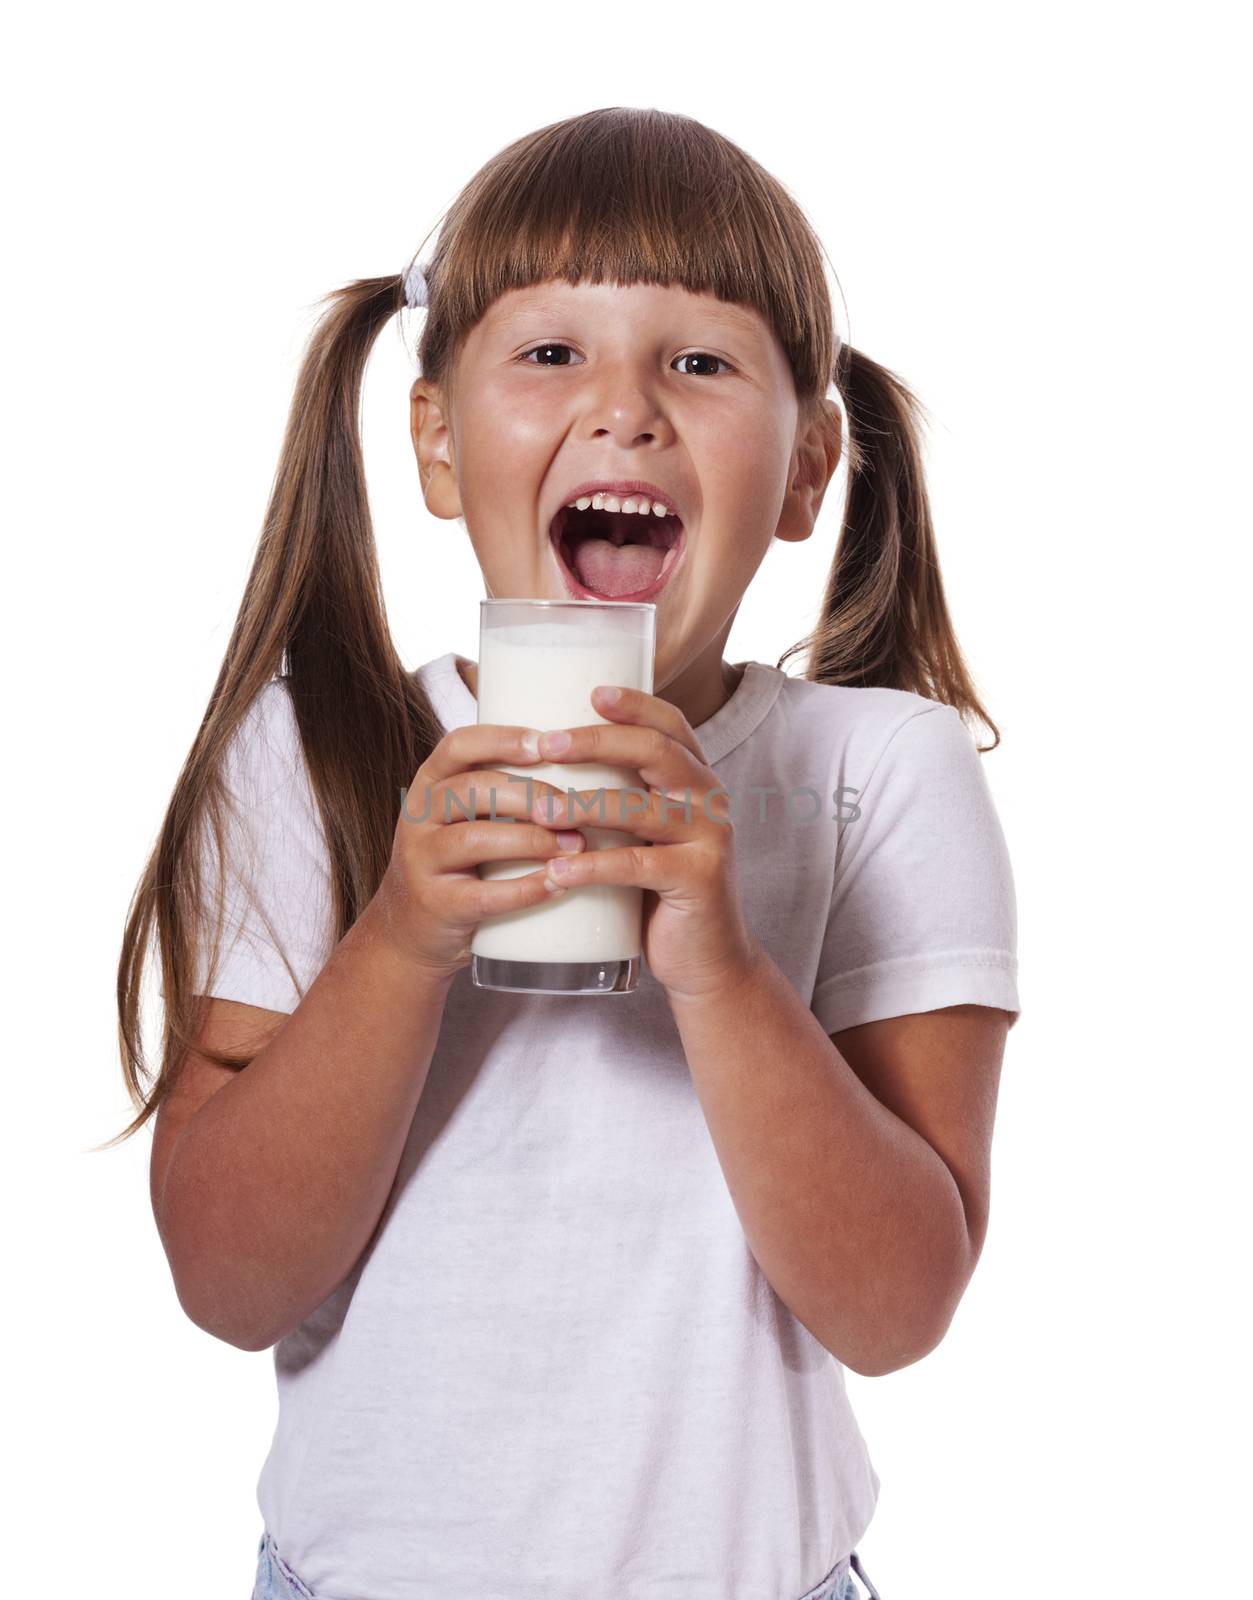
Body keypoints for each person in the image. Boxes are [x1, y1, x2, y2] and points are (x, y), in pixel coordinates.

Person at [114, 107, 1019, 1600]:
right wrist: (402, 939)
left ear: (804, 473)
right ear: (436, 442)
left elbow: (896, 1309)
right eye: (550, 354)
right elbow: (227, 1283)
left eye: (700, 360)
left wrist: (721, 970)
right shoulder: (309, 754)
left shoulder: (875, 773)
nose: (626, 411)